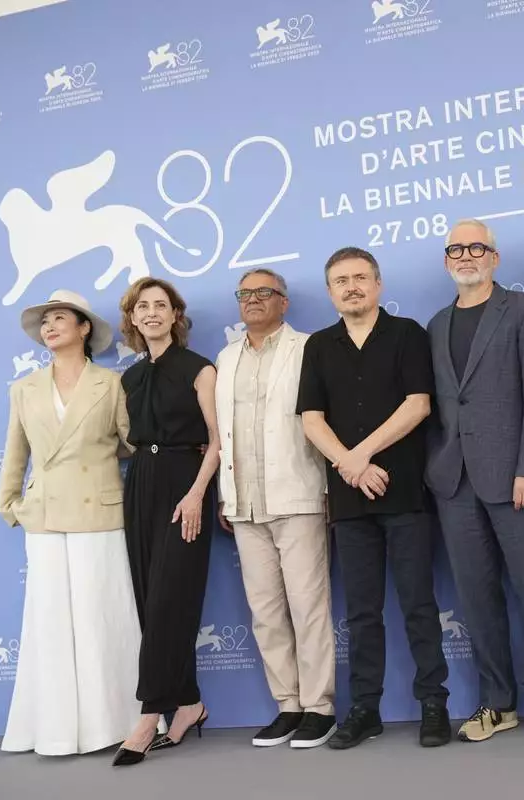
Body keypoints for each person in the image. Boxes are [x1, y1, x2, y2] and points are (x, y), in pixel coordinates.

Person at [425, 219, 524, 742]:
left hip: (516, 479)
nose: (466, 256)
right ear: (447, 261)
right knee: (476, 599)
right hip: (455, 484)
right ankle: (497, 702)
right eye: (456, 249)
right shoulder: (436, 324)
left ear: (494, 257)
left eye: (477, 247)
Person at [297, 246, 451, 750]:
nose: (352, 287)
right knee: (362, 612)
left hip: (404, 492)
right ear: (330, 292)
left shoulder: (407, 334)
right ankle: (365, 709)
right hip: (349, 502)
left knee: (418, 605)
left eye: (360, 277)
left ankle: (434, 704)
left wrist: (358, 456)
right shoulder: (319, 346)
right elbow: (311, 420)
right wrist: (350, 466)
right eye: (341, 280)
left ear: (378, 284)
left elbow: (418, 405)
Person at [0, 288, 148, 757]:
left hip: (98, 510)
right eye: (45, 321)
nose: (49, 326)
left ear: (84, 328)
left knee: (102, 615)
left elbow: (132, 442)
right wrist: (11, 504)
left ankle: (116, 722)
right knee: (49, 621)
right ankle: (55, 730)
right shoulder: (23, 388)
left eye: (60, 317)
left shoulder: (111, 383)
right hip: (44, 514)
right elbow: (16, 451)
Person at [214, 268, 337, 749]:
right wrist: (224, 492)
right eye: (245, 293)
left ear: (284, 302)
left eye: (264, 292)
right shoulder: (226, 358)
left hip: (298, 495)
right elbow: (222, 433)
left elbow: (322, 420)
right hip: (244, 503)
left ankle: (319, 708)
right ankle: (288, 705)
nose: (253, 299)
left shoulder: (309, 348)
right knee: (265, 612)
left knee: (309, 607)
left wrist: (328, 487)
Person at [112, 278, 221, 766]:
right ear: (133, 318)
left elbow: (217, 439)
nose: (152, 312)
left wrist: (196, 493)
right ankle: (190, 703)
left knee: (168, 602)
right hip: (141, 483)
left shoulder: (200, 369)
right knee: (149, 601)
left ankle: (149, 713)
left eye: (161, 305)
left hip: (185, 482)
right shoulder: (130, 379)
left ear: (176, 314)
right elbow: (127, 439)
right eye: (143, 306)